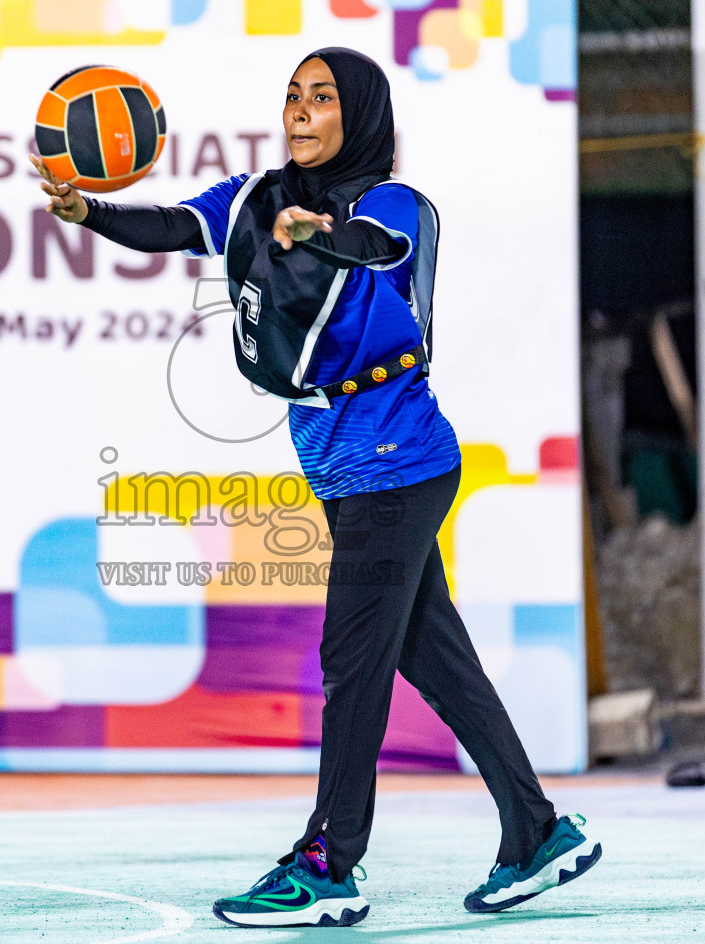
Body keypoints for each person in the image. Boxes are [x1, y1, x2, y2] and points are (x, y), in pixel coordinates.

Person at [31, 48, 600, 926]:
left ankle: (331, 864)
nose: (299, 110)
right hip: (344, 464)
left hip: (396, 465)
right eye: (292, 95)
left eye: (322, 97)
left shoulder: (390, 202)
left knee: (353, 660)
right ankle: (536, 829)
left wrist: (319, 232)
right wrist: (89, 212)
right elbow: (176, 227)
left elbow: (379, 246)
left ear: (360, 115)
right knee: (430, 656)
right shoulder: (257, 198)